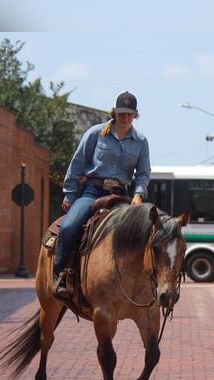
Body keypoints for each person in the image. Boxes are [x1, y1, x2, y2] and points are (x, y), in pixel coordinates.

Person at [52, 91, 150, 298]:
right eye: (121, 113)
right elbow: (77, 163)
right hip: (92, 191)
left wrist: (138, 194)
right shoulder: (96, 133)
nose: (125, 117)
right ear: (115, 113)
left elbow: (142, 174)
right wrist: (69, 194)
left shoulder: (141, 141)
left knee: (141, 234)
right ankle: (60, 276)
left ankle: (138, 283)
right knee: (69, 227)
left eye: (129, 114)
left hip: (121, 195)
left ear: (135, 116)